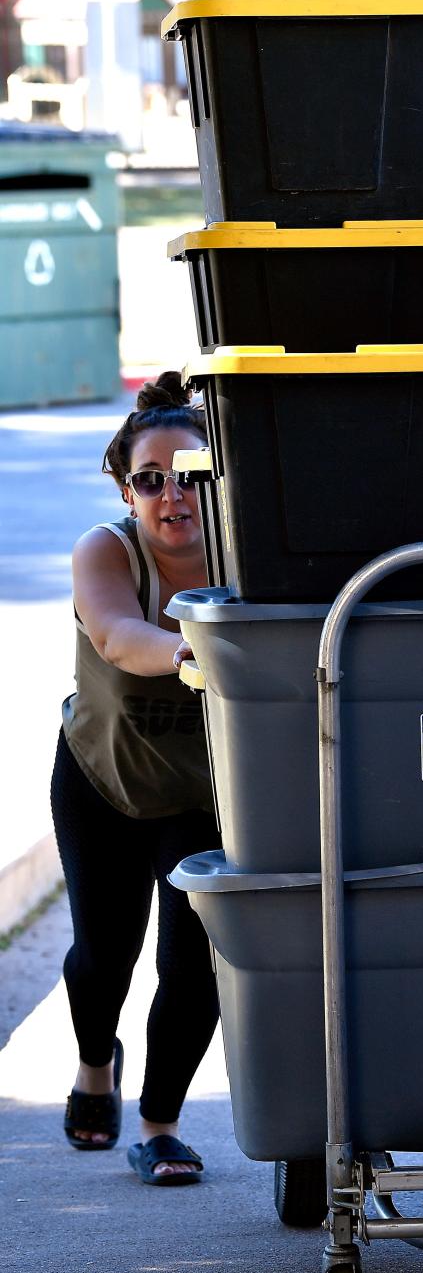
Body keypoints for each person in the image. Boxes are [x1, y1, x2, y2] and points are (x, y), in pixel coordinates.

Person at [54, 373, 220, 1186]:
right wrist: (193, 648)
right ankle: (94, 1063)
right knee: (103, 956)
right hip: (104, 782)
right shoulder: (106, 550)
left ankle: (159, 1125)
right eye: (150, 479)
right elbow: (118, 635)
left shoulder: (243, 552)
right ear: (126, 488)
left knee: (196, 966)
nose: (170, 495)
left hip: (204, 796)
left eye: (188, 476)